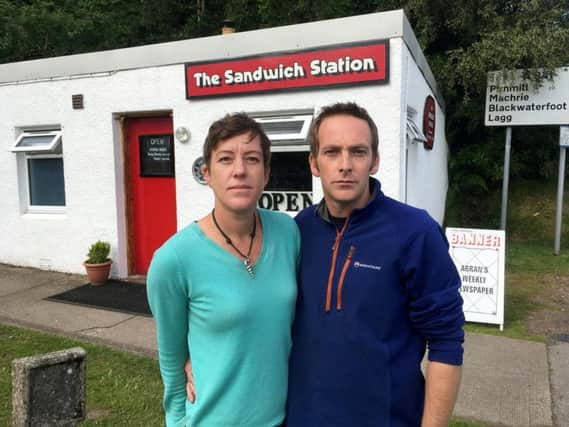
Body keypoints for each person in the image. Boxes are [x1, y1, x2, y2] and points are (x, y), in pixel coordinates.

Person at [285, 102, 465, 427]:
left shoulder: (414, 233)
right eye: (331, 152)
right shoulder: (298, 230)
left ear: (375, 160)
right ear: (314, 163)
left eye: (357, 151)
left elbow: (446, 341)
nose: (345, 165)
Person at [147, 113, 300, 427]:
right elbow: (172, 361)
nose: (240, 170)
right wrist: (176, 421)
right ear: (207, 172)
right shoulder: (174, 259)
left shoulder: (288, 233)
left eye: (252, 159)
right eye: (226, 159)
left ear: (267, 172)